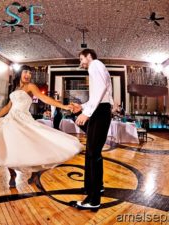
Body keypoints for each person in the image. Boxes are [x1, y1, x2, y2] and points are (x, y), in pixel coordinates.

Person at [0, 65, 82, 187]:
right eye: (25, 72)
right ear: (20, 73)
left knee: (31, 146)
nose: (28, 75)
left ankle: (35, 173)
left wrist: (64, 106)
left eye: (30, 73)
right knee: (9, 148)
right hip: (10, 120)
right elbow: (8, 106)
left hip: (24, 120)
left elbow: (44, 98)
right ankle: (12, 175)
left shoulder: (31, 86)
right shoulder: (14, 89)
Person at [71, 49, 113, 210]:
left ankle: (93, 200)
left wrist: (87, 113)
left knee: (92, 153)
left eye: (81, 58)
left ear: (89, 56)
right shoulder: (95, 68)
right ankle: (94, 187)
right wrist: (81, 107)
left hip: (99, 112)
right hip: (100, 110)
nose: (80, 62)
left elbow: (101, 90)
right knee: (93, 153)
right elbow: (97, 95)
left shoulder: (95, 64)